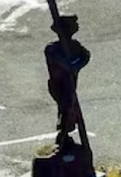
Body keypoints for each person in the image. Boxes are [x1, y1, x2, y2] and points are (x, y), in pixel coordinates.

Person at [44, 15, 90, 144]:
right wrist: (71, 65)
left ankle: (66, 132)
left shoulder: (75, 45)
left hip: (70, 83)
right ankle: (63, 134)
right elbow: (61, 62)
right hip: (58, 85)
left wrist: (76, 65)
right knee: (66, 107)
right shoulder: (52, 48)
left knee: (70, 108)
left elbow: (85, 56)